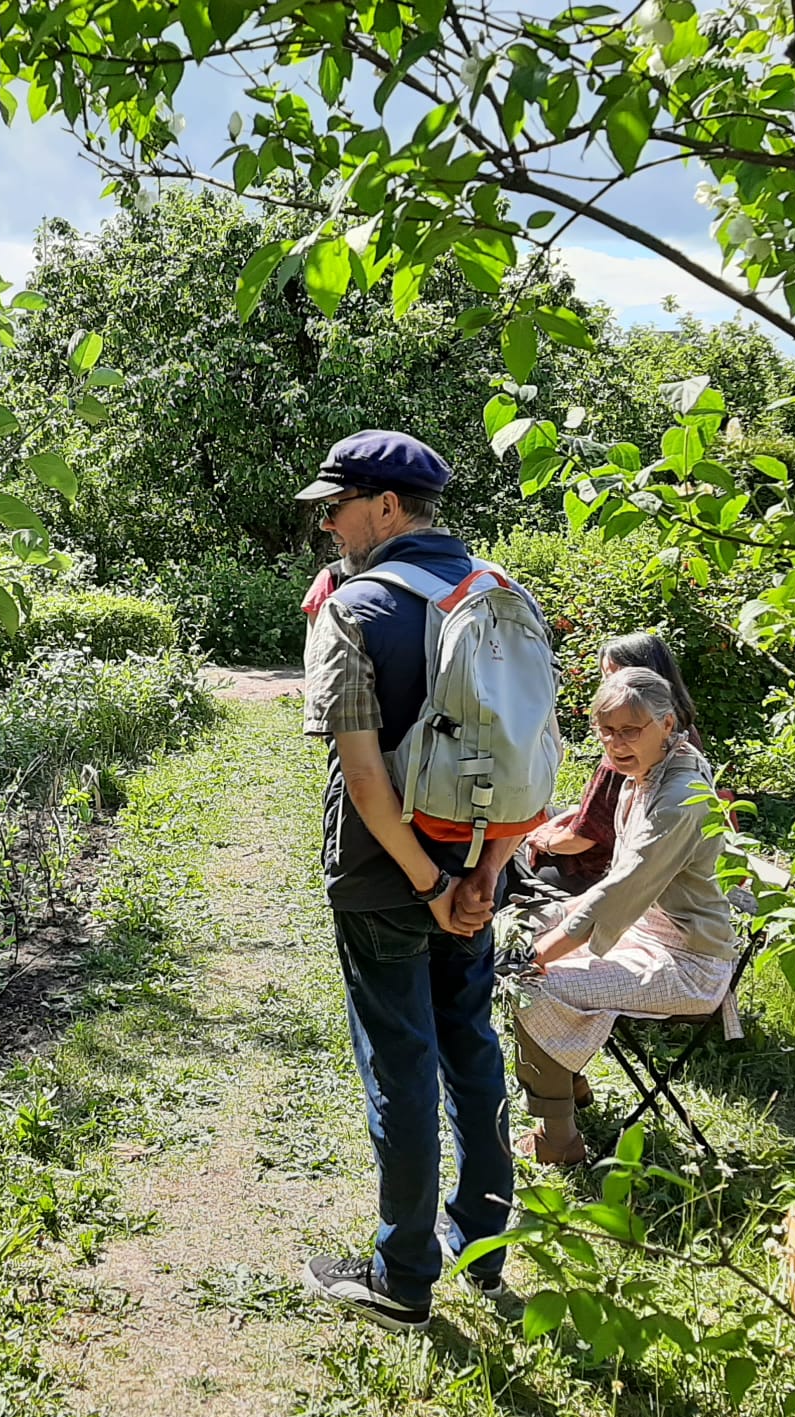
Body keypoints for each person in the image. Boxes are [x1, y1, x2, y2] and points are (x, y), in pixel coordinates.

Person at [296, 429, 523, 1332]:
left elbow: (364, 778)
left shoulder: (353, 610)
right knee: (470, 1043)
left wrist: (427, 883)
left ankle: (401, 1278)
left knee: (401, 1063)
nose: (328, 529)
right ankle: (486, 1249)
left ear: (386, 507)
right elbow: (530, 759)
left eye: (336, 509)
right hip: (479, 866)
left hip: (388, 877)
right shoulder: (501, 594)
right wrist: (481, 875)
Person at [513, 666, 738, 1166]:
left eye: (630, 730)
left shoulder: (678, 795)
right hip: (647, 933)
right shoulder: (656, 768)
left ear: (668, 723)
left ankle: (559, 1139)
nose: (615, 743)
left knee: (529, 979)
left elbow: (624, 886)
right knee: (519, 934)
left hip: (690, 963)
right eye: (607, 730)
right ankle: (569, 1088)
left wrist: (545, 952)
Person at [524, 632, 702, 896]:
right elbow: (603, 813)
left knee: (516, 835)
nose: (608, 687)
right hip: (645, 862)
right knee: (544, 814)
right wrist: (569, 817)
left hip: (603, 873)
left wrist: (543, 840)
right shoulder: (685, 733)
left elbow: (583, 839)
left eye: (615, 677)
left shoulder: (623, 757)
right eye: (606, 678)